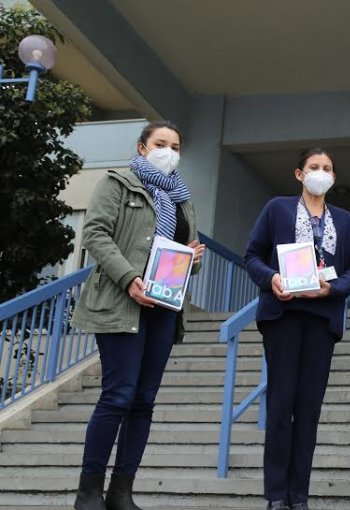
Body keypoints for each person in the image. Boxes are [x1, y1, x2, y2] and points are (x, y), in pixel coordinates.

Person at [71, 121, 205, 510]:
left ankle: (121, 492)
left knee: (144, 399)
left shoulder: (182, 198)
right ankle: (89, 492)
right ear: (142, 147)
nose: (169, 150)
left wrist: (192, 259)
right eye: (160, 143)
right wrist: (130, 277)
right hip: (120, 301)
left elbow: (182, 257)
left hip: (164, 305)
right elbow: (95, 234)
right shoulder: (118, 183)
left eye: (175, 145)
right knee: (118, 395)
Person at [244, 149, 350, 510]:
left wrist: (335, 288)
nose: (321, 173)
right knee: (281, 406)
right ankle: (276, 495)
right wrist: (273, 279)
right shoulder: (277, 208)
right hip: (282, 316)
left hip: (321, 318)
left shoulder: (343, 220)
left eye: (327, 168)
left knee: (309, 409)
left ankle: (299, 495)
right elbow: (251, 255)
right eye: (314, 167)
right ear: (299, 174)